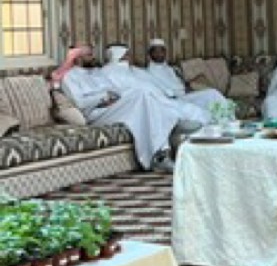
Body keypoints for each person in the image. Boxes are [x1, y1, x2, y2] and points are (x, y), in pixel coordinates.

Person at [56, 44, 186, 172]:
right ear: (78, 58)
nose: (93, 57)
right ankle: (160, 156)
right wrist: (103, 98)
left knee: (145, 95)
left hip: (113, 105)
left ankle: (162, 152)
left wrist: (114, 96)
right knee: (141, 95)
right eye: (89, 55)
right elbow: (80, 103)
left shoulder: (96, 72)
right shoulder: (69, 77)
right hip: (96, 112)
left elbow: (114, 89)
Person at [144, 38, 227, 112]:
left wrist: (187, 87)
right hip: (175, 101)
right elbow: (159, 91)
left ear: (165, 53)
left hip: (185, 95)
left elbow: (179, 83)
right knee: (212, 95)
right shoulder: (150, 72)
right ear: (150, 54)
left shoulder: (168, 68)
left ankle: (227, 115)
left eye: (161, 51)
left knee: (212, 93)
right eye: (155, 51)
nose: (159, 54)